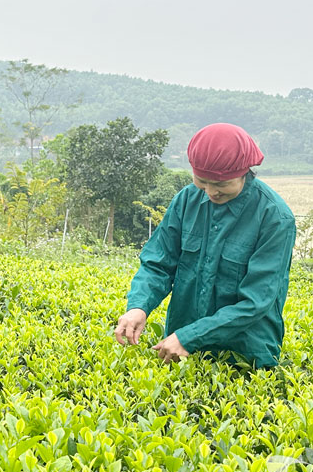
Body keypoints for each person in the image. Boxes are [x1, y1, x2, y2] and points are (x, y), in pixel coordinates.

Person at [114, 122, 295, 368]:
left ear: (245, 172)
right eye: (202, 181)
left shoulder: (274, 217)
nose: (210, 192)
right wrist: (139, 306)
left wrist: (190, 337)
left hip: (245, 354)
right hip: (179, 348)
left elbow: (256, 301)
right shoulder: (186, 200)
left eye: (221, 184)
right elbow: (158, 264)